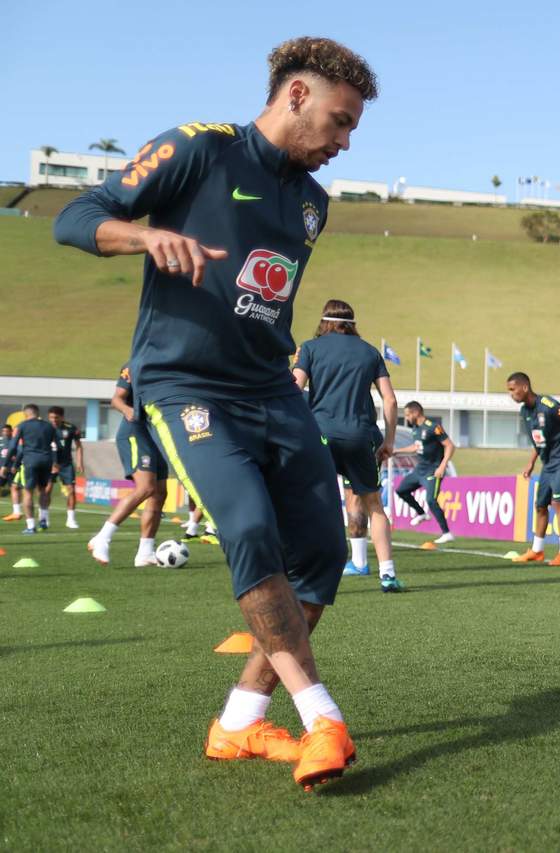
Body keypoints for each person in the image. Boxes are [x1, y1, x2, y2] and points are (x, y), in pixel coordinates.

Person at [53, 36, 378, 790]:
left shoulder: (313, 203)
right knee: (249, 528)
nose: (345, 142)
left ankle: (238, 721)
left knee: (324, 554)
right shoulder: (200, 148)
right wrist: (144, 235)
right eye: (340, 120)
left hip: (273, 390)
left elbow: (264, 300)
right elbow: (76, 215)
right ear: (296, 95)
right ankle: (322, 718)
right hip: (186, 386)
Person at [293, 299, 403, 592]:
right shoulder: (370, 351)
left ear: (324, 321)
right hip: (360, 436)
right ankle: (387, 575)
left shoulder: (310, 348)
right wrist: (389, 440)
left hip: (320, 436)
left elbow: (293, 389)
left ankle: (308, 572)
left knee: (312, 502)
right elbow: (390, 401)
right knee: (373, 504)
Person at [88, 364, 170, 566]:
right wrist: (128, 411)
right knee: (146, 488)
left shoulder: (170, 365)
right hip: (134, 432)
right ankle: (102, 538)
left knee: (160, 493)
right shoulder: (135, 366)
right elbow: (117, 399)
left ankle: (145, 552)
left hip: (154, 435)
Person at [507, 372, 560, 566]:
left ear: (525, 387)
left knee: (557, 504)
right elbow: (538, 440)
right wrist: (531, 462)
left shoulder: (549, 406)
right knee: (540, 506)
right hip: (548, 463)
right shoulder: (524, 412)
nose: (511, 394)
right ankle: (537, 550)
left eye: (512, 389)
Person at [393, 402, 456, 551]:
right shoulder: (415, 429)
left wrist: (442, 466)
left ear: (416, 413)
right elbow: (416, 447)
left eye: (408, 415)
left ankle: (447, 533)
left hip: (433, 470)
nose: (406, 418)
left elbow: (450, 445)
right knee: (401, 490)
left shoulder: (433, 427)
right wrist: (396, 451)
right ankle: (421, 513)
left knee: (431, 500)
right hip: (420, 469)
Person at [13, 404, 57, 535]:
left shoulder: (22, 425)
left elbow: (14, 446)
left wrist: (12, 465)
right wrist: (56, 462)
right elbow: (58, 445)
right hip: (46, 460)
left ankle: (31, 526)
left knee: (28, 492)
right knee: (43, 490)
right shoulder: (49, 426)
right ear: (38, 413)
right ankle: (43, 519)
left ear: (25, 413)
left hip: (30, 460)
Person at [47, 406, 84, 529]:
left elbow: (79, 446)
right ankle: (44, 519)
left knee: (71, 490)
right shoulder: (45, 428)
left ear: (62, 417)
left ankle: (71, 520)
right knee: (47, 490)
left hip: (66, 464)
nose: (53, 420)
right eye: (51, 417)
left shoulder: (71, 428)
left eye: (56, 417)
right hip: (49, 464)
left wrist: (80, 462)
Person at [0, 424, 19, 520]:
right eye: (4, 431)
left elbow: (20, 454)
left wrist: (15, 463)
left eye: (7, 431)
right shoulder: (0, 441)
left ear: (11, 431)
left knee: (14, 488)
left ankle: (16, 512)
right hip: (1, 469)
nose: (5, 433)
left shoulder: (15, 441)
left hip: (11, 469)